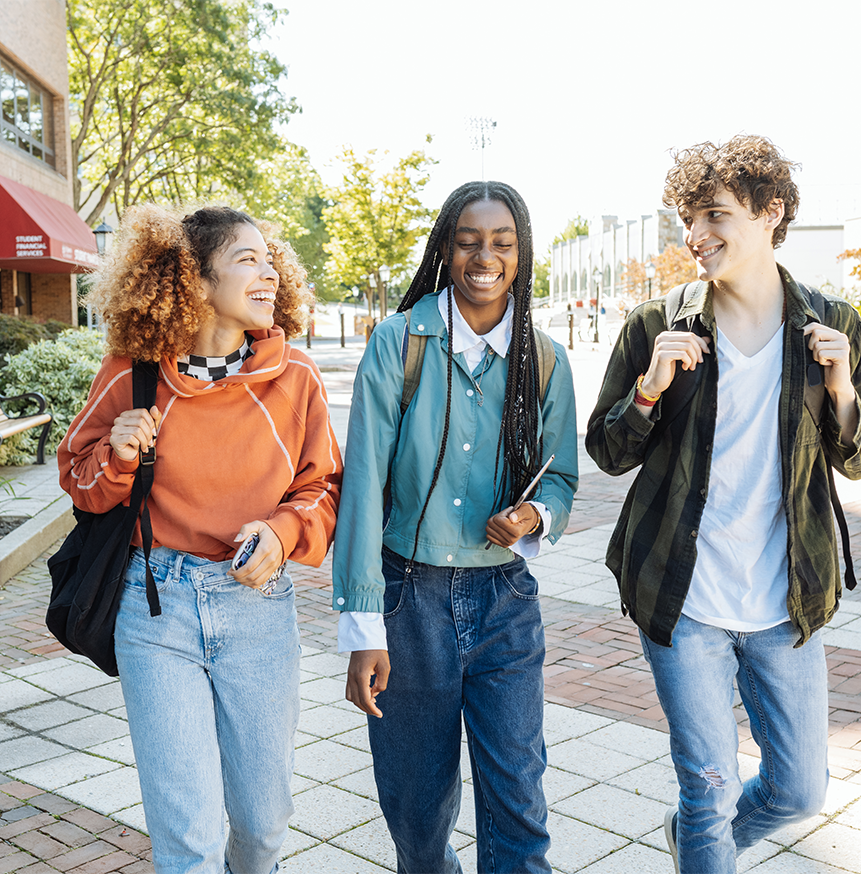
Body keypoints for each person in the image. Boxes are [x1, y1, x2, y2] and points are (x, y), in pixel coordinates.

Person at [586, 135, 861, 873]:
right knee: (706, 787)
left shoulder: (835, 326)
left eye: (714, 214)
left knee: (800, 791)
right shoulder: (658, 324)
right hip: (683, 600)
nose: (695, 235)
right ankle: (702, 839)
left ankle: (697, 844)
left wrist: (842, 390)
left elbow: (858, 461)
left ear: (772, 214)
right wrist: (648, 389)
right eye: (687, 217)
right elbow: (607, 452)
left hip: (786, 600)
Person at [58, 205, 342, 874]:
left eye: (270, 259)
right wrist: (121, 455)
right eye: (247, 259)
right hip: (156, 608)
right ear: (192, 278)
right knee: (188, 841)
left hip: (259, 611)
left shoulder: (295, 377)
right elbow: (81, 480)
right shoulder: (133, 373)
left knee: (264, 826)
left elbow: (324, 487)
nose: (269, 272)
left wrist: (282, 534)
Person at [332, 181, 578, 873]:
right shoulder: (398, 343)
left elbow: (560, 478)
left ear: (521, 255)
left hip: (506, 603)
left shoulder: (546, 359)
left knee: (519, 805)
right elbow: (362, 494)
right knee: (416, 812)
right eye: (469, 240)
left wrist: (534, 515)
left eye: (502, 243)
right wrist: (362, 630)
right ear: (445, 246)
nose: (485, 256)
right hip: (409, 603)